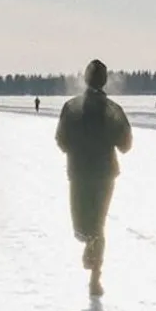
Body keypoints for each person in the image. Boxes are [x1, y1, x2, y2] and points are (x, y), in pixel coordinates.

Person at [54, 59, 133, 297]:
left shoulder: (71, 107)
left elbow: (61, 140)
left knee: (85, 223)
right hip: (103, 174)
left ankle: (94, 277)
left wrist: (77, 148)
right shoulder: (112, 109)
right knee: (96, 224)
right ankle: (94, 267)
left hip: (80, 173)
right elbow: (126, 145)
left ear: (86, 79)